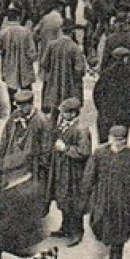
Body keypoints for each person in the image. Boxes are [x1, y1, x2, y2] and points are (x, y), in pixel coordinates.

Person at [83, 125, 130, 259]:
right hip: (102, 201)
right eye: (115, 139)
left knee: (118, 234)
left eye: (122, 140)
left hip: (121, 203)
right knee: (98, 226)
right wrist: (86, 194)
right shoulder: (100, 153)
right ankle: (104, 250)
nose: (118, 142)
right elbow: (89, 175)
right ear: (109, 138)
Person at [0, 88, 52, 207]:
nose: (20, 110)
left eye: (23, 106)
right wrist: (1, 156)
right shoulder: (14, 116)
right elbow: (5, 136)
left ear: (31, 104)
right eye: (18, 106)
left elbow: (46, 145)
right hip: (13, 159)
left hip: (31, 163)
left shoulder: (41, 120)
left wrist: (42, 162)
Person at [48, 97, 91, 246]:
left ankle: (77, 232)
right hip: (63, 168)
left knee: (74, 201)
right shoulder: (64, 124)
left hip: (75, 172)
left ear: (73, 113)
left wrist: (65, 148)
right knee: (63, 197)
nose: (62, 115)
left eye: (65, 112)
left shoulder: (81, 129)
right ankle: (65, 227)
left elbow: (84, 152)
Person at [0, 164, 47, 259]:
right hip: (28, 244)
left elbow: (6, 221)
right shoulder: (33, 187)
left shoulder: (11, 194)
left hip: (15, 243)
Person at [92, 47, 130, 142]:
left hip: (107, 111)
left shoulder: (106, 73)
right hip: (125, 111)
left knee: (103, 141)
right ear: (126, 58)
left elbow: (96, 93)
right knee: (121, 140)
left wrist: (101, 108)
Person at [38, 20, 87, 114]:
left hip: (54, 87)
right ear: (72, 31)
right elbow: (80, 70)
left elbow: (44, 63)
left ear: (61, 30)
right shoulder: (74, 47)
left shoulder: (52, 45)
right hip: (70, 89)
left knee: (54, 115)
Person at [0, 10, 38, 108]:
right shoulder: (26, 31)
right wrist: (32, 58)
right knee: (27, 91)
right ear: (18, 18)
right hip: (25, 67)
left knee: (11, 92)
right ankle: (29, 110)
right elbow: (32, 52)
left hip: (9, 66)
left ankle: (13, 112)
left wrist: (4, 52)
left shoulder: (4, 32)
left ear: (7, 19)